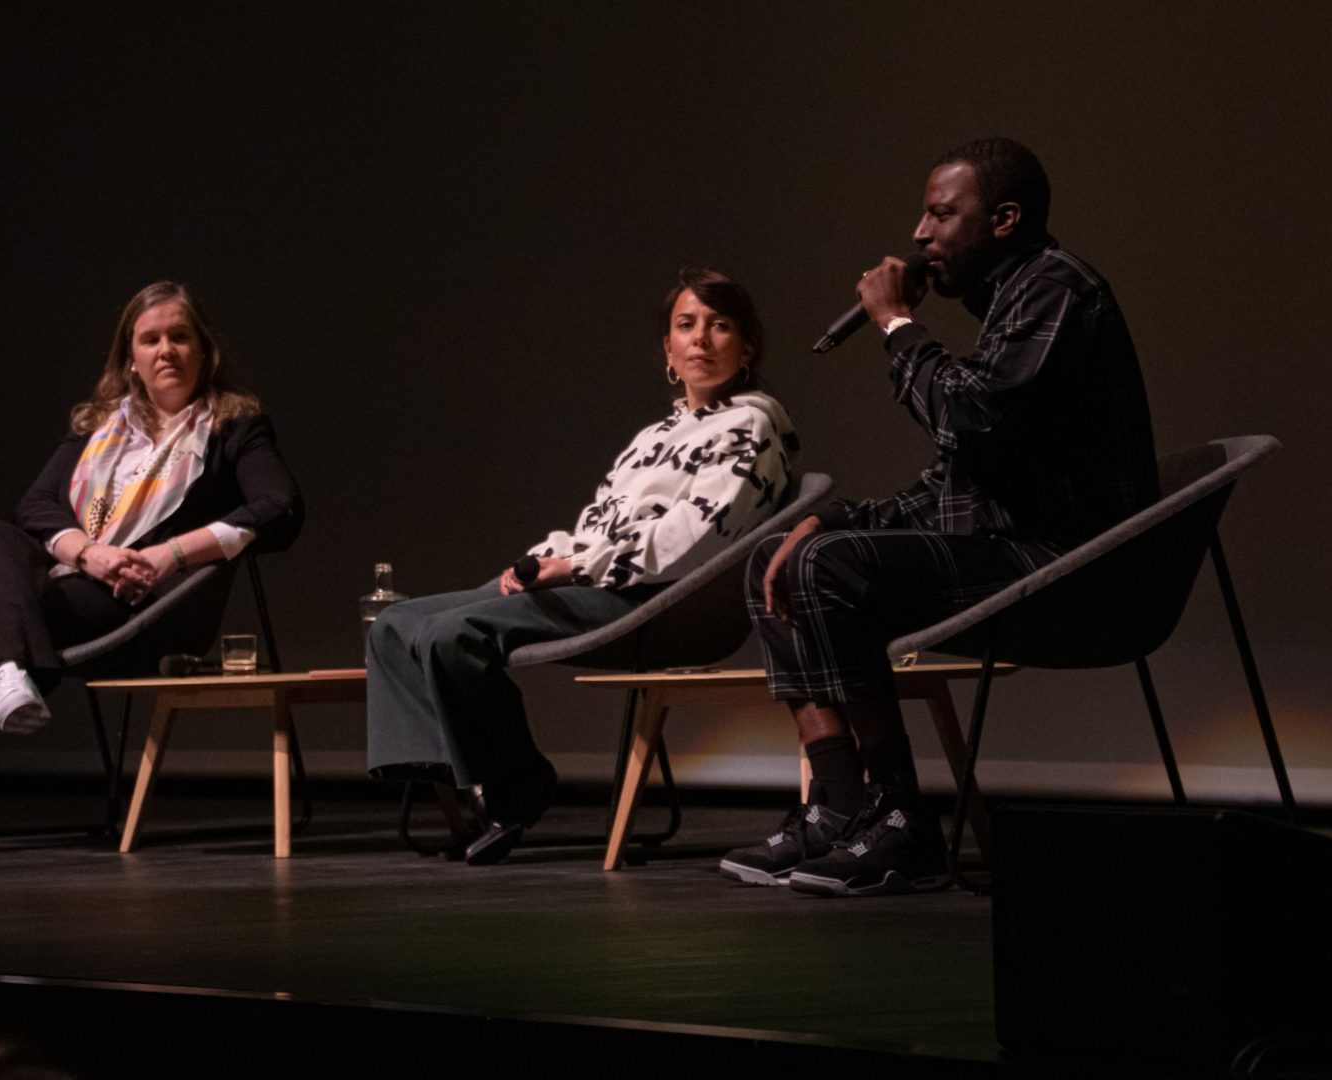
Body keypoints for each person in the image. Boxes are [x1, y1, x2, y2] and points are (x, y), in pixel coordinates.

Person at [720, 138, 1159, 896]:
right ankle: (837, 807)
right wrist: (839, 518)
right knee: (779, 556)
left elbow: (968, 418)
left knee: (829, 568)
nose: (919, 233)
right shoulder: (1011, 303)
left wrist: (897, 326)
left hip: (1072, 561)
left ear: (1004, 220)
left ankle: (902, 820)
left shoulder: (1057, 288)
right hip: (1013, 542)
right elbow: (963, 480)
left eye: (941, 214)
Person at [368, 268, 799, 865]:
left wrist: (575, 568)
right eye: (686, 325)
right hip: (596, 578)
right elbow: (599, 522)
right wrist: (545, 559)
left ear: (746, 348)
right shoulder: (655, 434)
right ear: (668, 348)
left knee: (450, 635)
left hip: (656, 599)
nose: (701, 338)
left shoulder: (752, 423)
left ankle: (516, 788)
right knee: (396, 625)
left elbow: (692, 539)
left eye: (720, 325)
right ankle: (469, 791)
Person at [0, 281, 304, 854]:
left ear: (205, 350)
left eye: (180, 337)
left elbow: (280, 508)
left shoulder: (233, 426)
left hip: (146, 603)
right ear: (130, 359)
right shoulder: (99, 428)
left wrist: (170, 553)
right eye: (150, 339)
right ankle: (5, 671)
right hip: (78, 583)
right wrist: (89, 553)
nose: (166, 350)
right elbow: (35, 506)